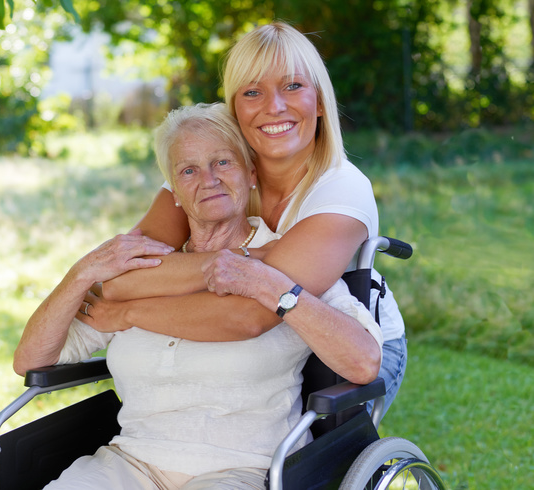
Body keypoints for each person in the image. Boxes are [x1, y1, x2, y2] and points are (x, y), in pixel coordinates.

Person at [13, 103, 383, 489]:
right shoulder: (143, 271)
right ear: (172, 192)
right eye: (188, 170)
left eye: (222, 162)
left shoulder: (283, 262)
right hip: (130, 464)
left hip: (245, 469)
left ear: (251, 174)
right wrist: (83, 272)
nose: (208, 180)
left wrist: (280, 293)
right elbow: (31, 360)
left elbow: (363, 362)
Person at [86, 22, 407, 417]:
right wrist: (237, 260)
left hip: (338, 343)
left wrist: (128, 313)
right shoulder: (214, 170)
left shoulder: (342, 192)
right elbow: (122, 279)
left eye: (292, 86)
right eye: (253, 92)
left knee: (305, 459)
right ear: (234, 108)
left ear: (320, 101)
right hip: (252, 347)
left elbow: (250, 315)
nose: (274, 107)